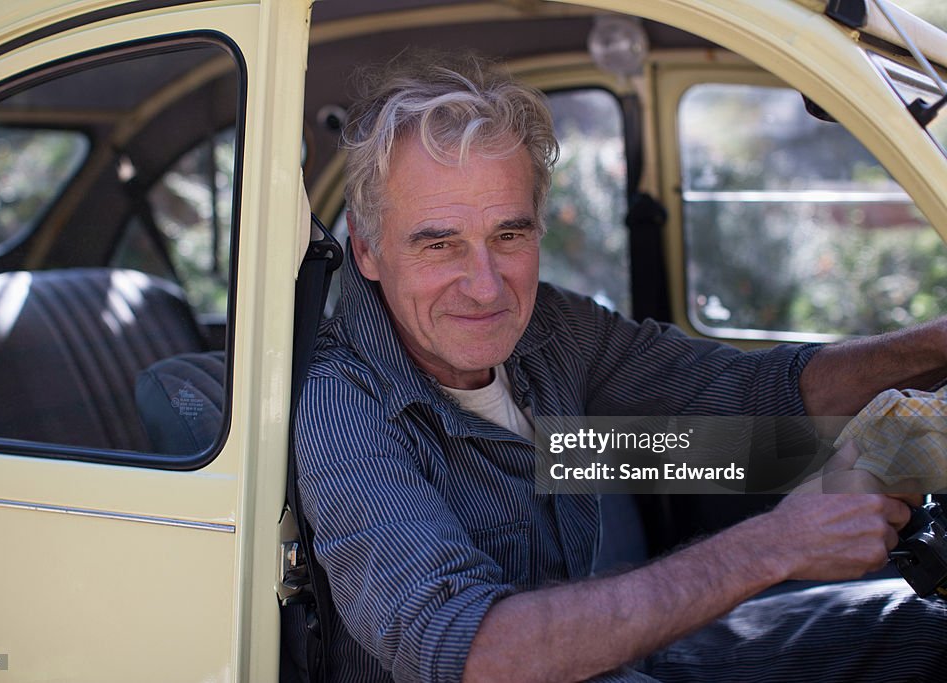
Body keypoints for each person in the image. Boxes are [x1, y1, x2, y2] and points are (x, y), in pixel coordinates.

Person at [292, 50, 947, 682]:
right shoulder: (342, 403)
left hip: (609, 655)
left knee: (923, 625)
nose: (487, 287)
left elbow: (749, 393)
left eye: (509, 235)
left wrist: (934, 347)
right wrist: (772, 546)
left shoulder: (550, 332)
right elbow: (477, 655)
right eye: (440, 244)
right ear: (368, 251)